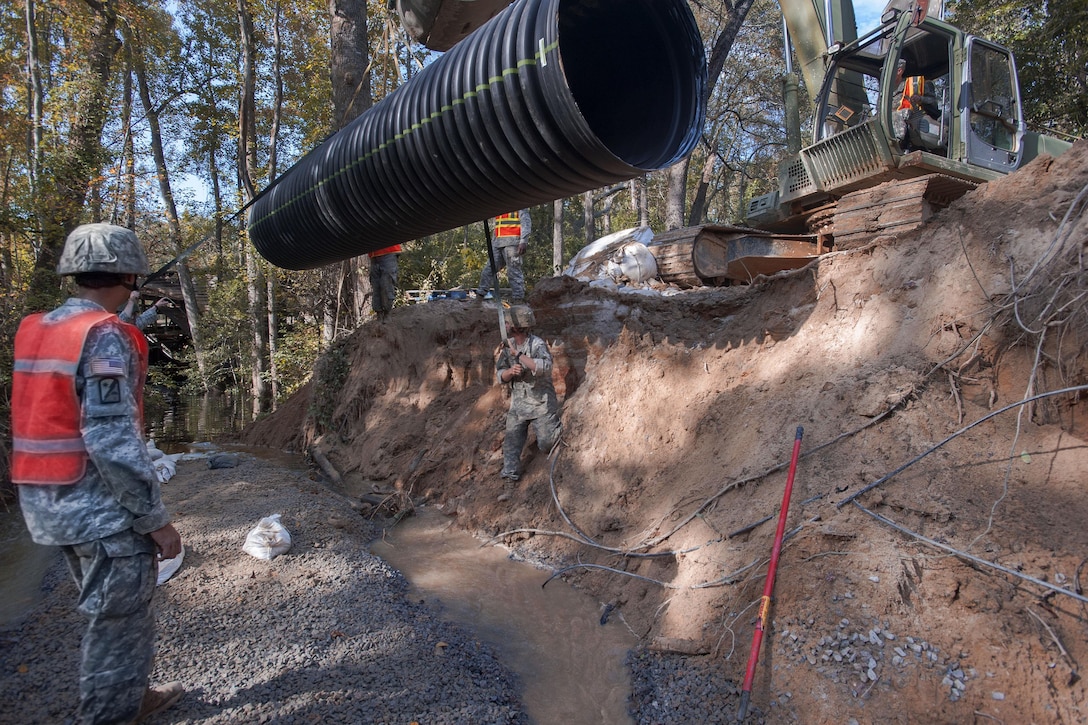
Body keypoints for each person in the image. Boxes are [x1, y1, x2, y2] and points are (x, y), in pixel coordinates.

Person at [11, 223, 184, 724]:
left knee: (109, 609)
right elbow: (110, 439)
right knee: (119, 620)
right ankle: (111, 712)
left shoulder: (40, 327)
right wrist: (155, 518)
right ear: (130, 274)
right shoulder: (104, 336)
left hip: (47, 501)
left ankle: (128, 695)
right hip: (100, 508)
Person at [494, 304, 561, 481]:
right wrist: (510, 372)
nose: (505, 326)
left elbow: (545, 367)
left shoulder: (537, 344)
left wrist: (519, 355)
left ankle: (556, 428)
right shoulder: (506, 346)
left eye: (507, 323)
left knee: (547, 443)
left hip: (541, 403)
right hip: (519, 405)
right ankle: (510, 476)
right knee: (511, 443)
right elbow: (500, 374)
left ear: (516, 326)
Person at [476, 209, 531, 302]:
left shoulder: (520, 206)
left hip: (513, 243)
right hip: (498, 243)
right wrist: (493, 243)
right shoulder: (500, 207)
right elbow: (497, 227)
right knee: (489, 269)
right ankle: (480, 296)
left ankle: (518, 299)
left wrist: (523, 241)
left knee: (513, 271)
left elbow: (526, 222)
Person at [891, 59, 942, 152]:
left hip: (912, 128)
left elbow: (933, 102)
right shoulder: (886, 92)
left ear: (899, 71)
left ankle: (898, 146)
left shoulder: (913, 85)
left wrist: (920, 99)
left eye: (890, 71)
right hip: (890, 129)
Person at [368, 244, 401, 323]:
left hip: (389, 252)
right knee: (376, 286)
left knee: (386, 285)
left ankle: (387, 313)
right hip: (374, 256)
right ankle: (379, 314)